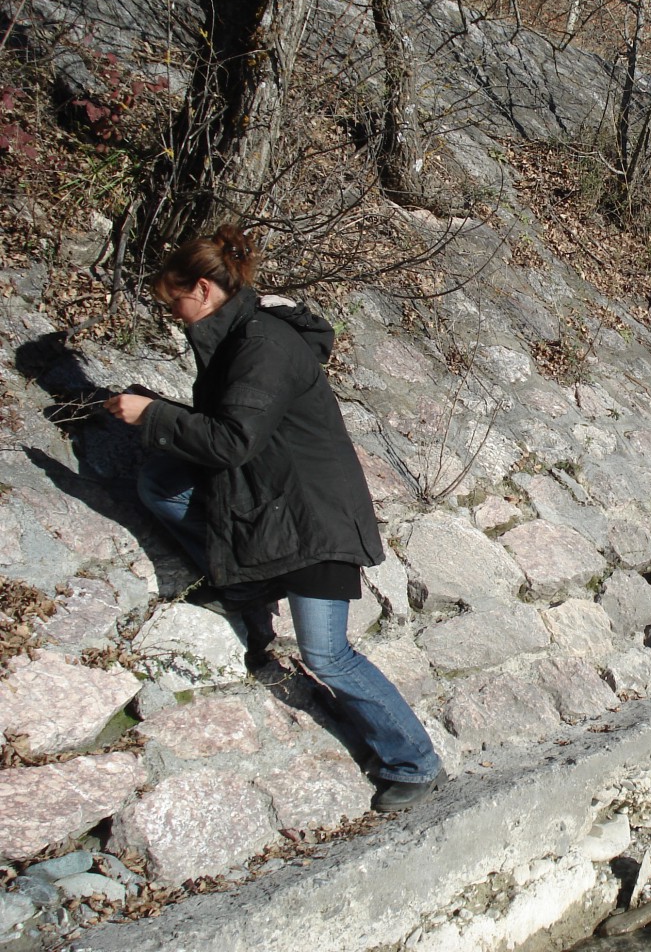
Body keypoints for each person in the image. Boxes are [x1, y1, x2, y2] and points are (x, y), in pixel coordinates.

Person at [104, 223, 444, 812]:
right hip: (275, 504)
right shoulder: (240, 337)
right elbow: (244, 428)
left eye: (175, 300)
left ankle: (414, 761)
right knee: (162, 481)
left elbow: (233, 438)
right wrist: (161, 414)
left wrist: (154, 415)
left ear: (204, 289)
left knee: (327, 654)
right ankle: (249, 583)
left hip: (315, 519)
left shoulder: (262, 343)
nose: (173, 313)